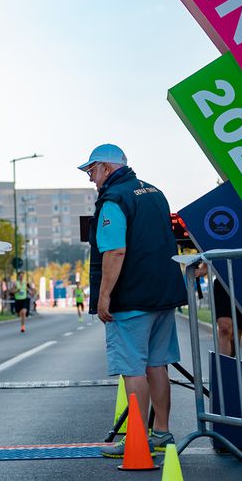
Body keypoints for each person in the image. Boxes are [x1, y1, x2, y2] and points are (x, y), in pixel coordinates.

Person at [80, 144, 187, 459]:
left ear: (107, 168)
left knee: (133, 368)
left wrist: (104, 297)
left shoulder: (114, 199)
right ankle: (163, 433)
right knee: (158, 365)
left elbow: (114, 251)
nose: (90, 179)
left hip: (131, 297)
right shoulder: (154, 192)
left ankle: (138, 438)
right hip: (163, 293)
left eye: (92, 170)